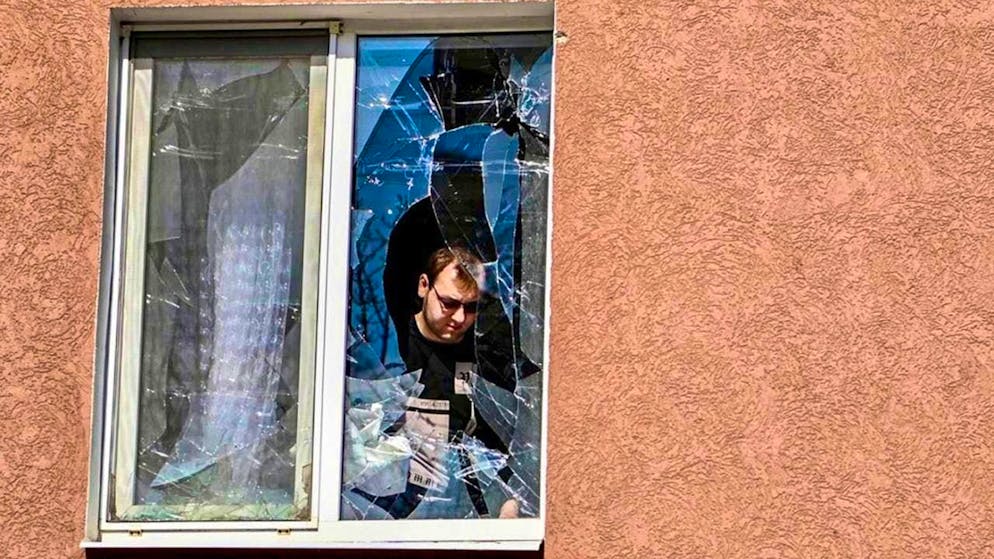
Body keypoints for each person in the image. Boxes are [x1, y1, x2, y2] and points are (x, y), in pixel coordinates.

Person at [356, 246, 519, 519]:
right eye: (449, 303)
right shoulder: (390, 349)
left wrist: (510, 499)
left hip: (462, 511)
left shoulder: (484, 359)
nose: (459, 318)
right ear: (424, 286)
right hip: (387, 514)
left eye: (470, 308)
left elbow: (504, 443)